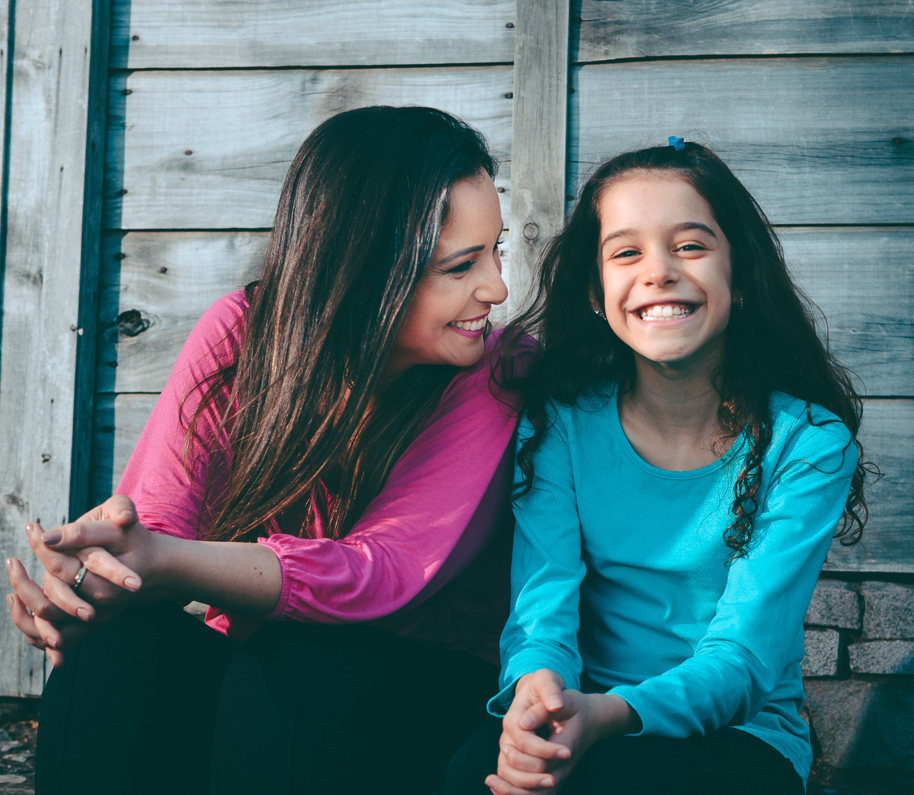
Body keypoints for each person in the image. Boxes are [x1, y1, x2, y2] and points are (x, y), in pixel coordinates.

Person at [6, 106, 525, 794]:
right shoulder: (242, 334)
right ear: (365, 269)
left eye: (496, 250)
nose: (497, 288)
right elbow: (156, 525)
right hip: (266, 697)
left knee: (306, 662)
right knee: (122, 649)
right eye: (461, 265)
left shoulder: (500, 372)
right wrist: (95, 589)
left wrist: (161, 563)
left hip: (426, 706)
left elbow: (385, 572)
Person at [441, 140, 873, 795]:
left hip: (740, 739)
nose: (659, 272)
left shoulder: (808, 443)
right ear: (595, 290)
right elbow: (542, 611)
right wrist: (539, 703)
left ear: (741, 272)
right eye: (626, 252)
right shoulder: (560, 421)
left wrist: (605, 717)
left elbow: (744, 661)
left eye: (691, 246)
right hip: (582, 710)